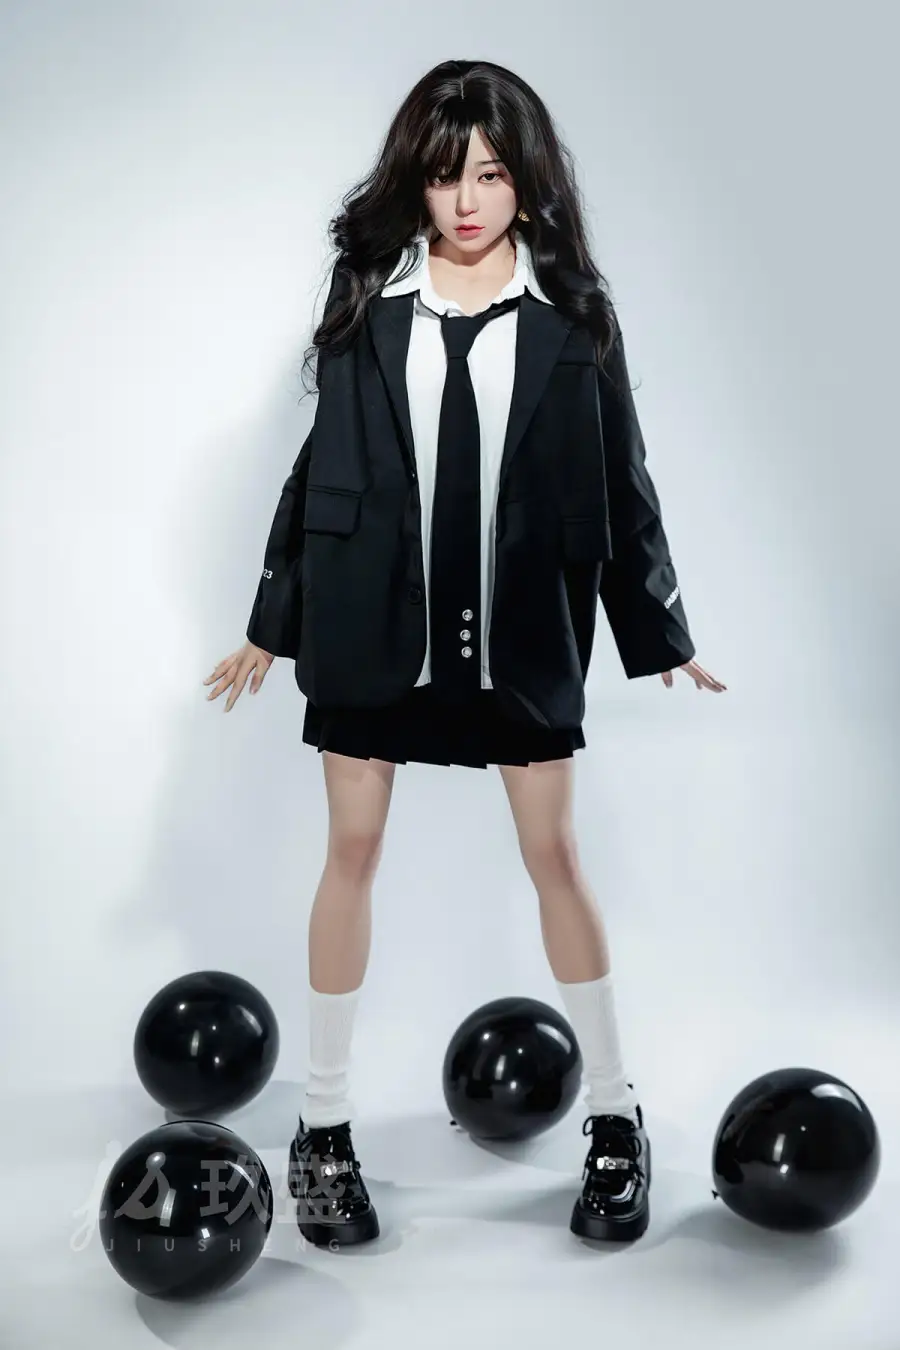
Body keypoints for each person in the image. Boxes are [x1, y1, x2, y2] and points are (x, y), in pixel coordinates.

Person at [203, 58, 727, 1248]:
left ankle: (615, 1114)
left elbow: (624, 480)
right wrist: (270, 622)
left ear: (527, 180)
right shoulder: (370, 303)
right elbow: (318, 472)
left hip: (519, 637)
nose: (469, 201)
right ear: (418, 185)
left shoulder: (572, 319)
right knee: (350, 850)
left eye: (490, 174)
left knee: (556, 857)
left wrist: (660, 629)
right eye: (446, 178)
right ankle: (322, 1127)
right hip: (371, 629)